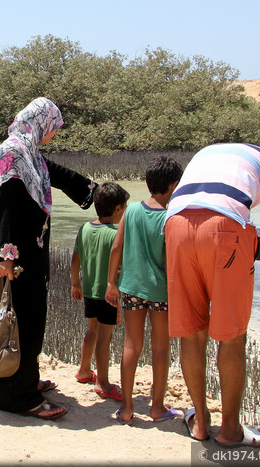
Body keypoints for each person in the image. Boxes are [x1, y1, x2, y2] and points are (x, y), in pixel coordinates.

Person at [163, 143, 260, 447]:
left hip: (175, 225)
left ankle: (199, 422)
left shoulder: (207, 153)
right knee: (231, 337)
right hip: (224, 229)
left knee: (193, 334)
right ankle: (229, 430)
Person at [0, 97, 96, 420]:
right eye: (53, 127)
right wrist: (5, 255)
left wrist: (92, 191)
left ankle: (22, 377)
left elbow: (54, 173)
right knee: (15, 320)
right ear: (40, 122)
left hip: (28, 252)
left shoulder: (29, 153)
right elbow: (7, 202)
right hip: (13, 258)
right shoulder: (14, 152)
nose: (54, 134)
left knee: (27, 319)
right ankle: (20, 396)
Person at [105, 156, 183, 425]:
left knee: (131, 345)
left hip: (132, 287)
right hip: (161, 291)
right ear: (174, 186)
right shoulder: (172, 217)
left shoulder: (132, 210)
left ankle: (126, 408)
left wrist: (110, 283)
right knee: (160, 348)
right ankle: (157, 407)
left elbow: (116, 248)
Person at [70, 182, 129, 401]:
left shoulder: (85, 228)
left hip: (88, 290)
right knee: (105, 338)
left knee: (91, 331)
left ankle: (84, 371)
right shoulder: (116, 234)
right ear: (117, 209)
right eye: (124, 207)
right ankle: (102, 383)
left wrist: (75, 283)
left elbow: (75, 258)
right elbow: (122, 267)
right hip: (107, 294)